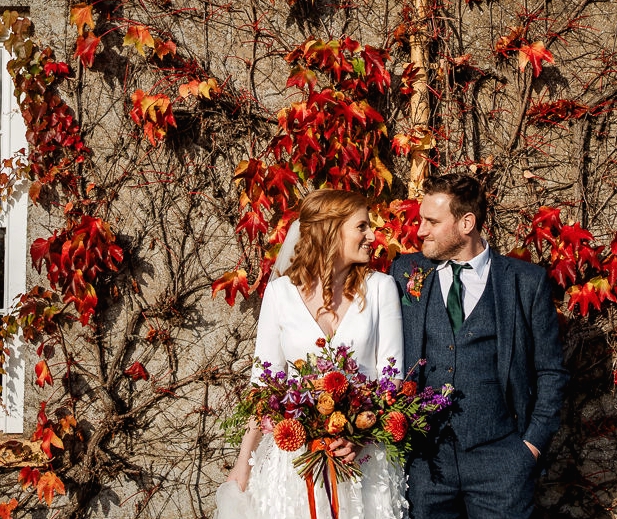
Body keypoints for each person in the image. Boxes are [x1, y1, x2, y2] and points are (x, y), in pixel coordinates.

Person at [216, 189, 407, 519]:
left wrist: (359, 438)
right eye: (361, 226)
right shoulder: (279, 294)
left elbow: (392, 381)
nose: (372, 235)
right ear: (331, 230)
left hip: (361, 461)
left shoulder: (380, 289)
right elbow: (263, 385)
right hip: (292, 461)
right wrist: (243, 462)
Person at [389, 173, 568, 519]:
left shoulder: (524, 282)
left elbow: (551, 372)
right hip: (427, 463)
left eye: (432, 221)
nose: (420, 231)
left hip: (501, 460)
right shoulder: (406, 270)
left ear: (467, 222)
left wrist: (529, 448)